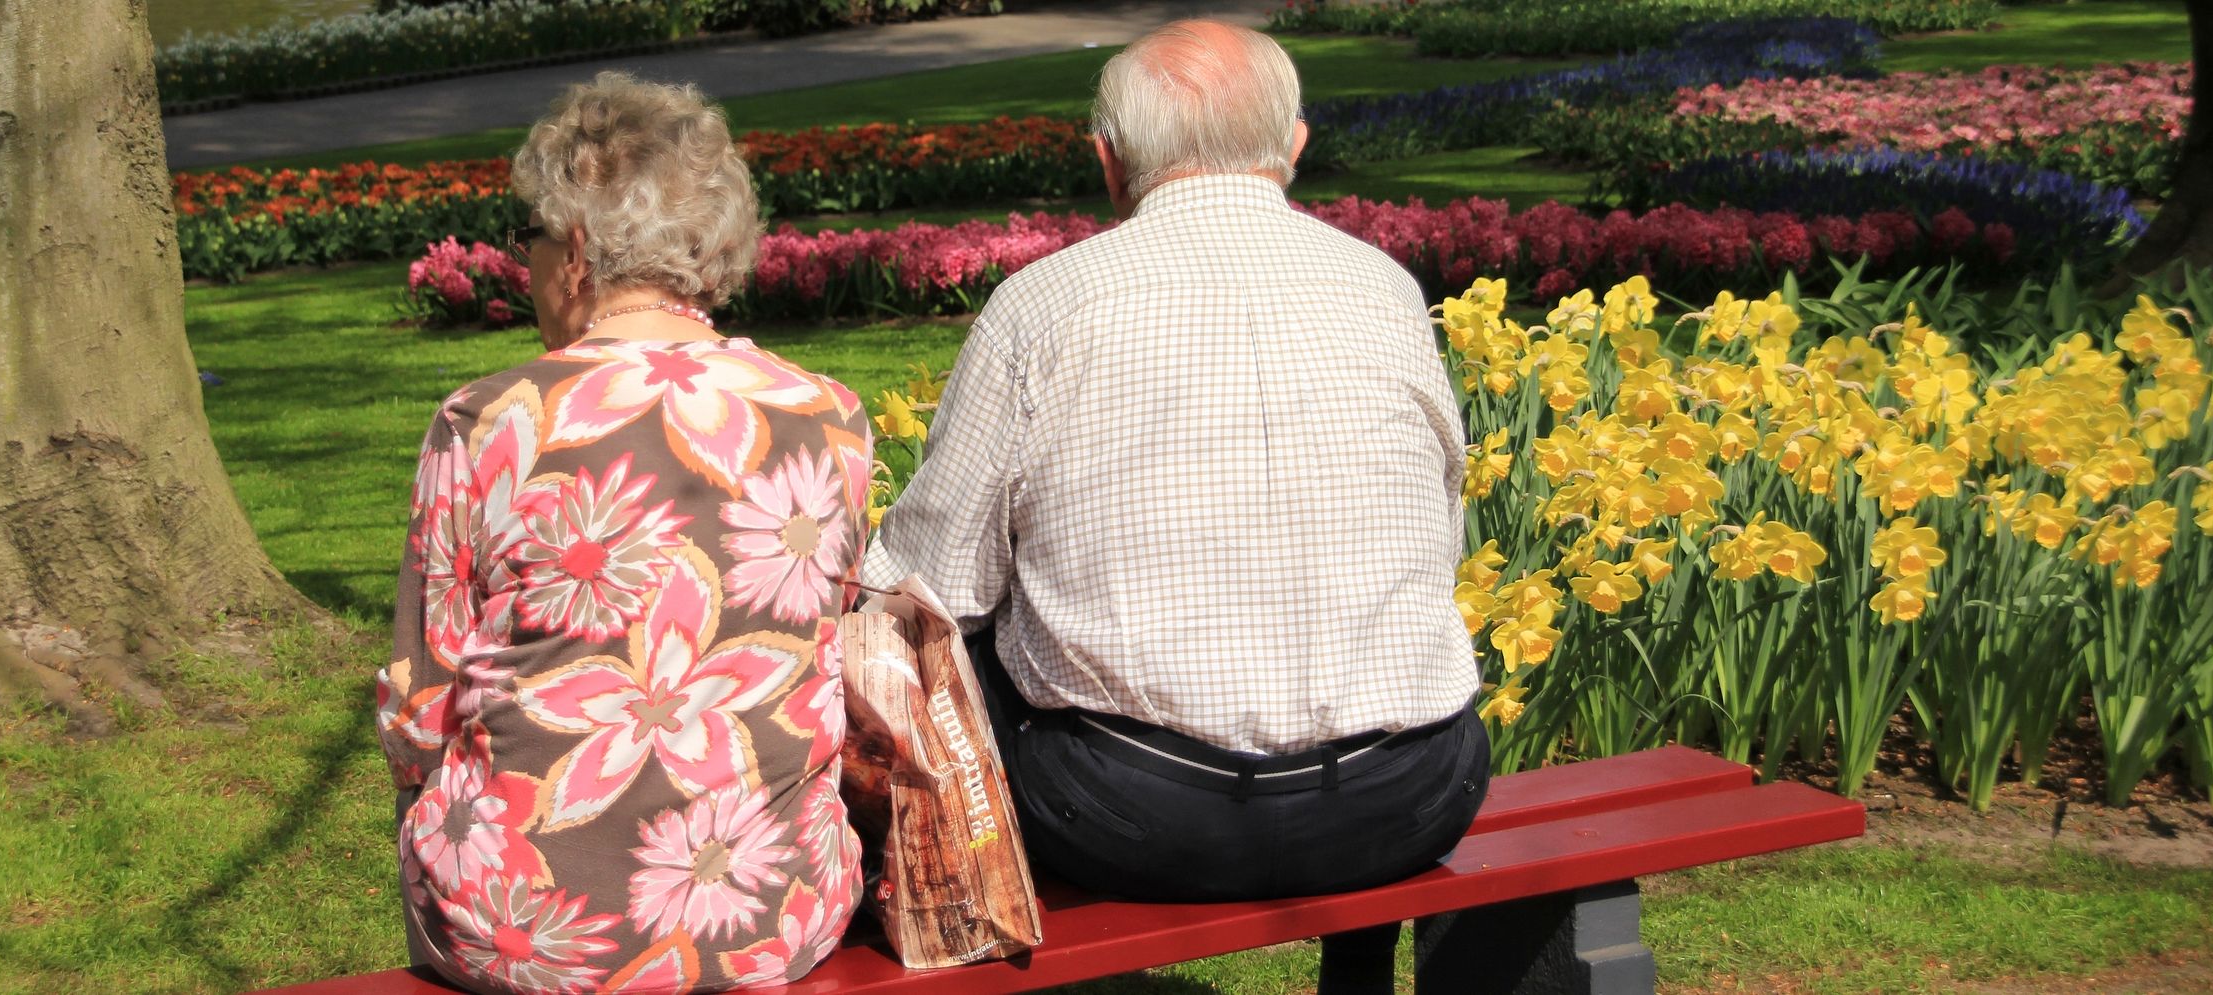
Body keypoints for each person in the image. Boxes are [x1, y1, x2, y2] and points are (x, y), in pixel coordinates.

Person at [858, 18, 1490, 986]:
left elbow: (924, 586)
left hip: (1130, 813)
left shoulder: (1041, 308)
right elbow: (1439, 542)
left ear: (1108, 163)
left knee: (950, 643)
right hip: (1403, 796)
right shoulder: (1389, 292)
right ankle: (1356, 972)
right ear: (1292, 149)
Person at [376, 72, 873, 995]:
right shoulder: (828, 413)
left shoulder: (488, 421)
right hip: (772, 912)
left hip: (527, 933)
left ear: (572, 248)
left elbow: (419, 710)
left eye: (524, 240)